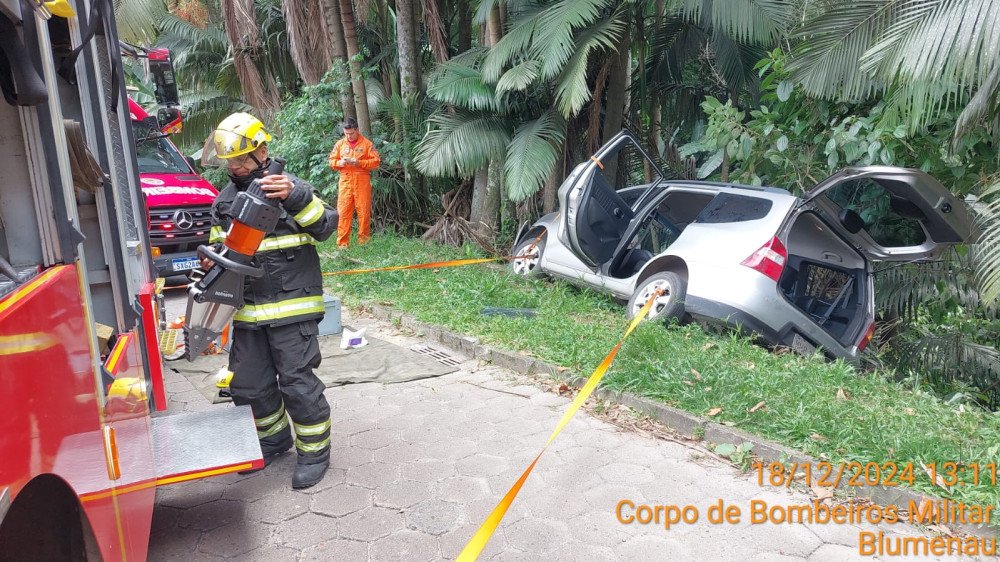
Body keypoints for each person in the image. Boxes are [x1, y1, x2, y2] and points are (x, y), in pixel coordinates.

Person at [205, 112, 338, 489]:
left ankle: (314, 452)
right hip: (247, 311)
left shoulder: (290, 188)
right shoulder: (224, 201)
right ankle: (273, 440)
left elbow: (325, 226)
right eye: (230, 160)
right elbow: (220, 248)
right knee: (247, 384)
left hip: (292, 307)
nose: (234, 167)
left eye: (241, 158)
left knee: (296, 383)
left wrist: (296, 197)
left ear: (262, 152)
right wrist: (212, 258)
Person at [328, 117, 380, 248]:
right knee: (343, 212)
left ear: (357, 130)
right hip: (345, 181)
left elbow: (376, 162)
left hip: (362, 181)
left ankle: (364, 243)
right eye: (346, 134)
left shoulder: (367, 144)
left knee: (364, 212)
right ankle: (342, 244)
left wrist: (359, 163)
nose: (349, 136)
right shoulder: (340, 144)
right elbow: (331, 161)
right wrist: (339, 163)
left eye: (351, 133)